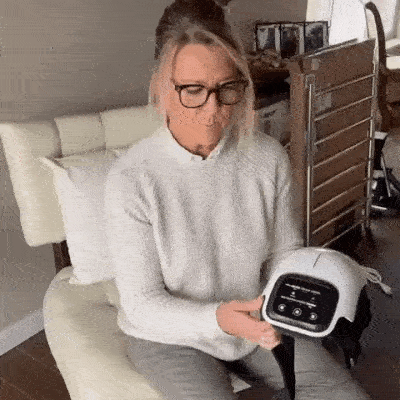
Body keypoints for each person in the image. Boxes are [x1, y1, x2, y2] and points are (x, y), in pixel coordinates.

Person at [104, 0, 372, 398]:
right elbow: (143, 303)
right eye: (193, 90)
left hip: (255, 313)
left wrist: (285, 299)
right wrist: (219, 319)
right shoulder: (131, 179)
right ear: (162, 85)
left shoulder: (267, 157)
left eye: (227, 88)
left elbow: (284, 252)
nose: (213, 110)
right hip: (167, 333)